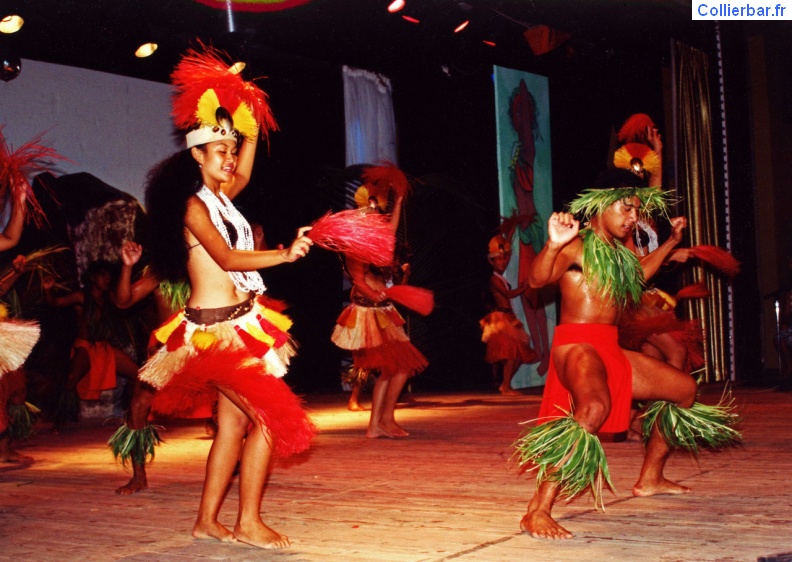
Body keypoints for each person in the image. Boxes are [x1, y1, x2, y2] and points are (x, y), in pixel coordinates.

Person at [136, 45, 316, 549]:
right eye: (221, 151)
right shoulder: (191, 206)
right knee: (267, 419)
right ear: (197, 154)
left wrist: (245, 107)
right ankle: (248, 522)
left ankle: (205, 521)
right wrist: (285, 255)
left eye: (231, 151)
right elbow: (229, 259)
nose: (230, 158)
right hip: (214, 333)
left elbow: (248, 162)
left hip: (239, 321)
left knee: (234, 425)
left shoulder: (220, 197)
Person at [515, 168, 740, 540]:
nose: (633, 216)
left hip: (609, 346)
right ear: (600, 204)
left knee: (684, 389)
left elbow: (637, 274)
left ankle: (650, 477)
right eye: (626, 207)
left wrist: (671, 242)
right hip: (577, 345)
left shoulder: (620, 254)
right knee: (593, 409)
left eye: (636, 210)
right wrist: (553, 244)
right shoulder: (577, 244)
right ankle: (536, 509)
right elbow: (536, 281)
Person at [332, 176, 427, 438]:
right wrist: (376, 296)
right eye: (371, 212)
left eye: (378, 212)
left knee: (399, 367)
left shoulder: (376, 241)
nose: (376, 216)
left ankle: (384, 420)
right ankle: (377, 423)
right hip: (367, 311)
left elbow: (392, 229)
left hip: (382, 310)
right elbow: (358, 281)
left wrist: (397, 201)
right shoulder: (355, 247)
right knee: (391, 367)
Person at [43, 259, 140, 420]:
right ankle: (60, 421)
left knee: (138, 375)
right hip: (85, 348)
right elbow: (55, 302)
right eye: (102, 275)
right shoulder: (81, 296)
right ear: (93, 277)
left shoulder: (111, 297)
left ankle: (134, 416)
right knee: (71, 379)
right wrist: (48, 290)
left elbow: (127, 299)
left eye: (109, 275)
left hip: (104, 348)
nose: (107, 279)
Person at [480, 234, 537, 395]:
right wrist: (525, 286)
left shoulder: (501, 278)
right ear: (492, 261)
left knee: (519, 354)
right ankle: (505, 387)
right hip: (501, 319)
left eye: (504, 259)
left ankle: (505, 384)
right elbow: (508, 294)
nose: (502, 262)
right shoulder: (494, 280)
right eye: (498, 259)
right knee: (512, 353)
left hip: (509, 317)